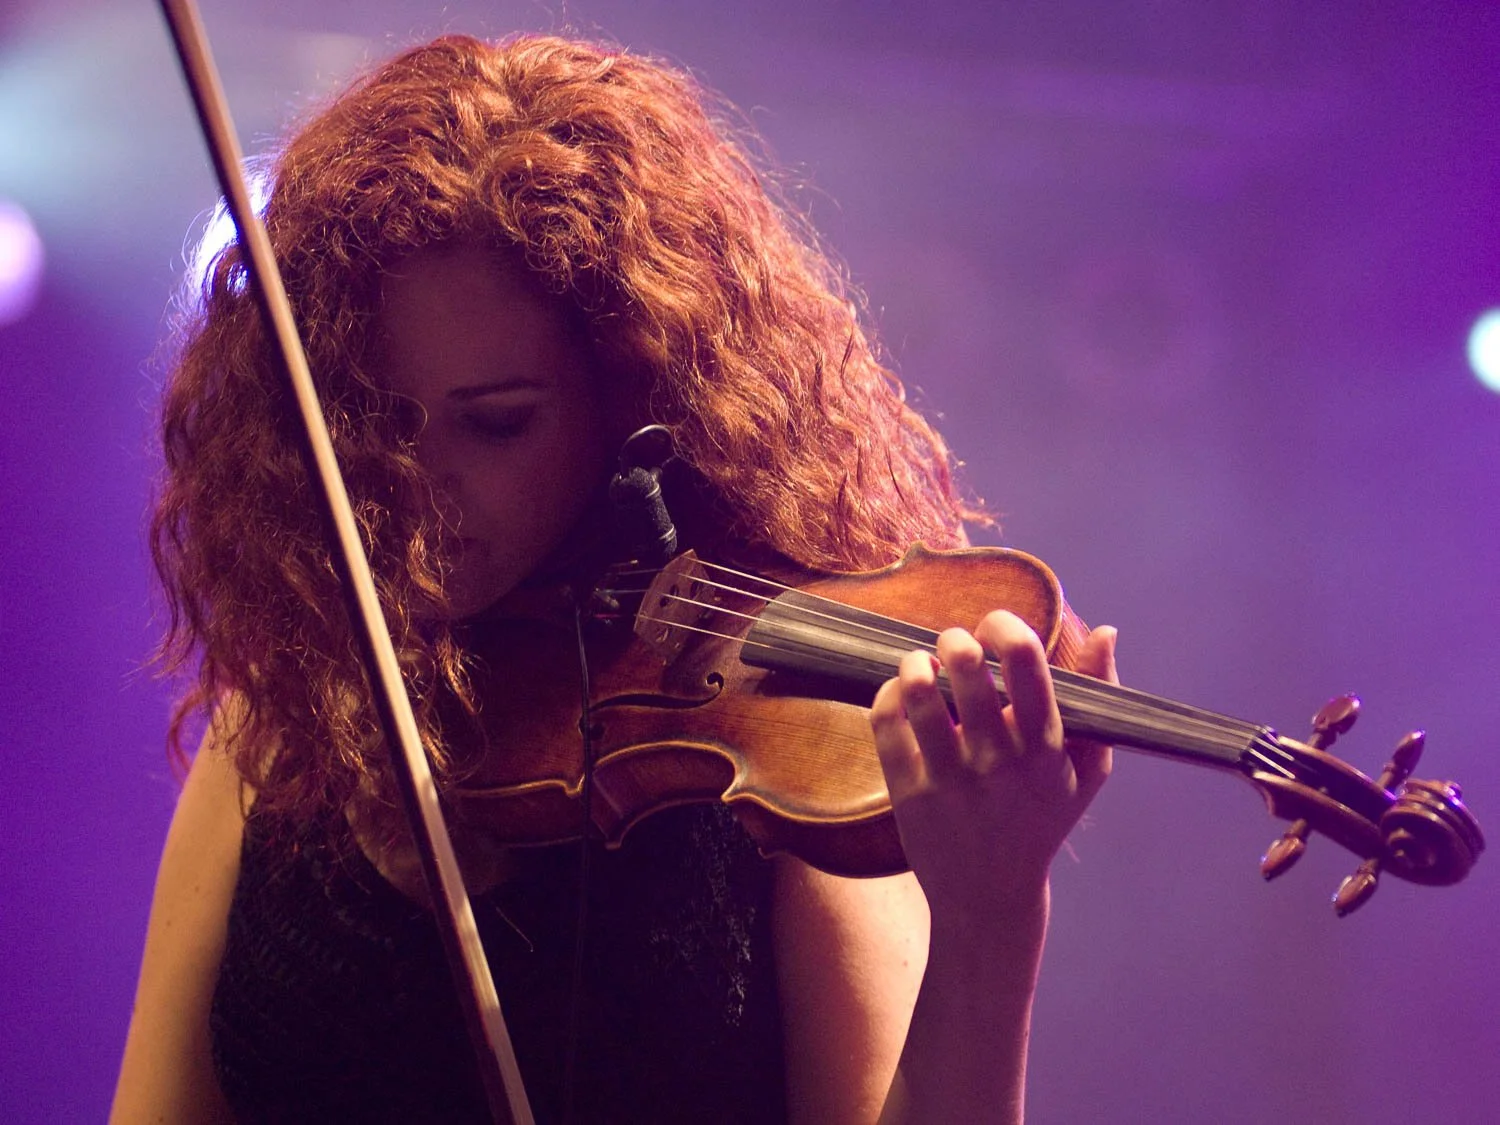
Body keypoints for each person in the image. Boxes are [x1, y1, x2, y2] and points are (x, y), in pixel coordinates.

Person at [111, 32, 1117, 1125]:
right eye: (377, 425)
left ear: (630, 405)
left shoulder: (768, 758)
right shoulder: (282, 722)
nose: (416, 488)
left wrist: (993, 914)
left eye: (496, 425)